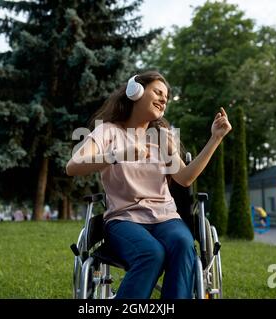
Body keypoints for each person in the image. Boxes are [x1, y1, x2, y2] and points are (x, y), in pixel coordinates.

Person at [66, 71, 232, 299]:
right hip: (124, 220)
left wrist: (215, 139)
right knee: (150, 253)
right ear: (136, 91)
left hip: (167, 218)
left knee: (184, 246)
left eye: (166, 97)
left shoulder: (162, 137)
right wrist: (118, 154)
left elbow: (184, 178)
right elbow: (73, 166)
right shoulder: (108, 131)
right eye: (158, 92)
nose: (164, 99)